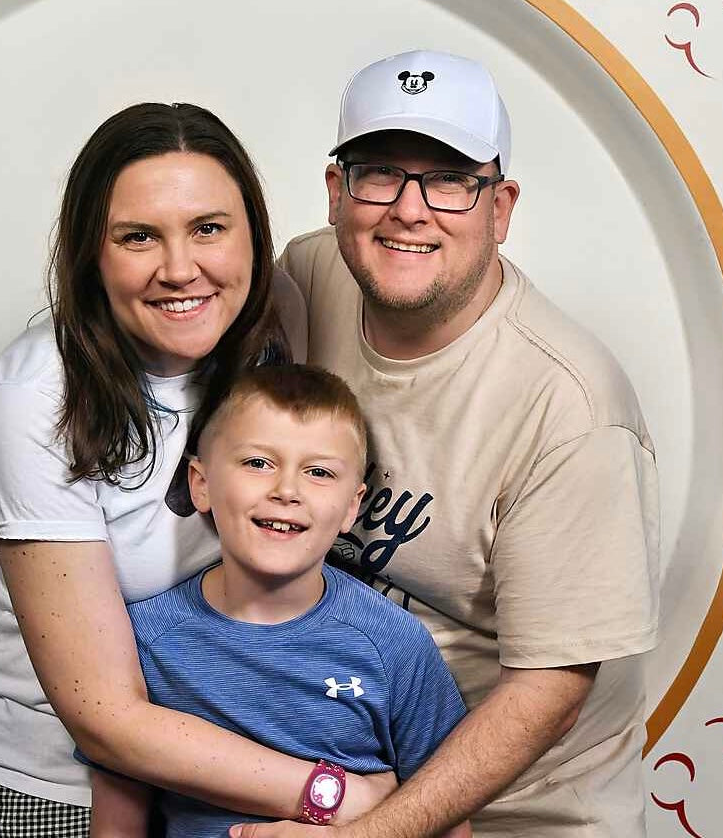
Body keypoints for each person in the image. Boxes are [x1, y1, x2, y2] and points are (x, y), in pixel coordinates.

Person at [238, 50, 660, 838]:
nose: (408, 209)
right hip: (339, 773)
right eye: (380, 174)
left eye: (449, 180)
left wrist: (374, 834)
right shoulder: (310, 274)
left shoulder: (570, 410)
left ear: (499, 208)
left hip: (518, 814)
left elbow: (550, 688)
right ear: (337, 194)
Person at [0, 102, 392, 838]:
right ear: (92, 252)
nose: (180, 268)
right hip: (61, 784)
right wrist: (341, 798)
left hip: (234, 755)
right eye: (137, 237)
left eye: (209, 228)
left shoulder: (275, 316)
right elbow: (107, 721)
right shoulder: (33, 396)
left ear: (254, 233)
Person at [85, 364, 471, 838]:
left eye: (318, 472)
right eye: (257, 463)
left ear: (353, 504)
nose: (286, 490)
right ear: (200, 484)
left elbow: (447, 817)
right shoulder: (144, 640)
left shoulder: (394, 644)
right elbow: (117, 826)